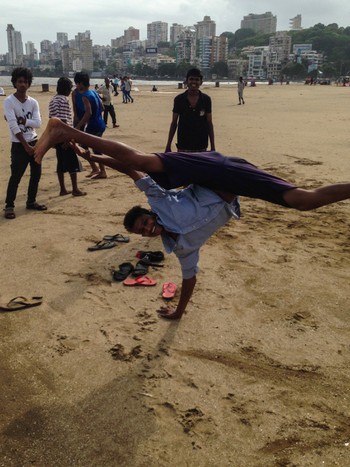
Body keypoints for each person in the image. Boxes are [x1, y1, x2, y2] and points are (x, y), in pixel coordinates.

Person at [34, 119, 350, 319]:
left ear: (148, 214)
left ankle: (64, 129)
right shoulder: (182, 247)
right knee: (302, 201)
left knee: (140, 160)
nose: (147, 227)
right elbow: (190, 280)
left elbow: (130, 169)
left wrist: (91, 157)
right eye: (143, 230)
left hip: (212, 170)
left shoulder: (159, 201)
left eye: (144, 221)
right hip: (234, 183)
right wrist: (178, 311)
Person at [3, 67, 47, 219]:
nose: (23, 84)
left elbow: (38, 123)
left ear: (29, 84)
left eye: (25, 82)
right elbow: (13, 125)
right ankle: (9, 206)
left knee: (36, 174)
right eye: (20, 82)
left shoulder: (33, 102)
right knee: (16, 176)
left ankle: (31, 201)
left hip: (34, 141)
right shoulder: (9, 101)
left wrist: (25, 120)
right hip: (19, 145)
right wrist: (25, 145)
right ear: (15, 83)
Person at [48, 77, 86, 197]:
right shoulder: (63, 100)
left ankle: (63, 188)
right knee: (72, 163)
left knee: (60, 163)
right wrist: (68, 138)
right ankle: (75, 189)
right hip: (64, 135)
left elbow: (52, 120)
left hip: (56, 136)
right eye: (70, 88)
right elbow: (63, 121)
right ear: (66, 89)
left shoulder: (53, 100)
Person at [165, 68, 215, 153]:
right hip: (183, 145)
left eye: (197, 79)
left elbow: (209, 123)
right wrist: (168, 145)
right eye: (191, 79)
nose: (194, 82)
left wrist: (213, 147)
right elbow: (174, 123)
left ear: (201, 82)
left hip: (201, 145)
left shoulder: (206, 100)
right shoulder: (179, 99)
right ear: (187, 81)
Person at [72, 72, 107, 179]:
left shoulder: (85, 96)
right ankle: (97, 169)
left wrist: (80, 125)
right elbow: (102, 107)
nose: (76, 86)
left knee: (84, 147)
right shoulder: (94, 92)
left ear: (81, 83)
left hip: (93, 125)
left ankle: (101, 170)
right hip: (100, 123)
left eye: (77, 83)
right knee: (95, 148)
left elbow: (88, 113)